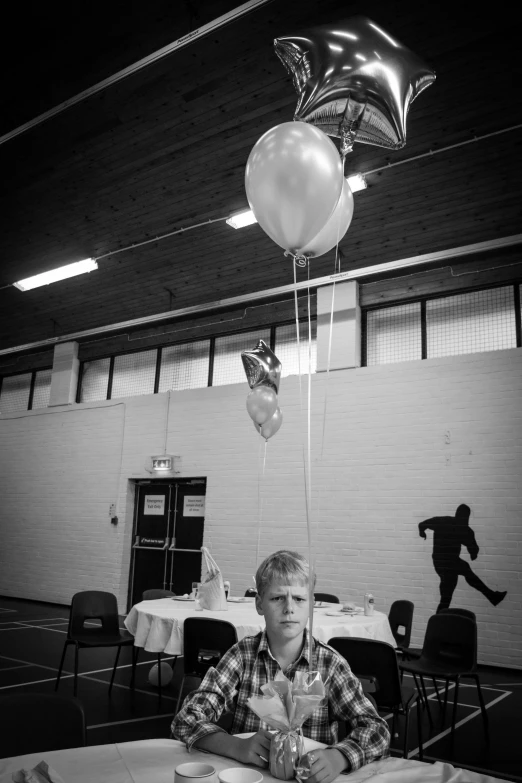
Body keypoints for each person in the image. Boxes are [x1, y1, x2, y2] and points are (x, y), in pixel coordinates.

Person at [172, 550, 390, 783]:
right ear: (259, 604)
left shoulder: (330, 665)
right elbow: (186, 719)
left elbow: (377, 730)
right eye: (277, 598)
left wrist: (339, 757)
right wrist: (236, 746)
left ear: (311, 605)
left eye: (299, 599)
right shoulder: (242, 657)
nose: (289, 608)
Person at [419, 503, 507, 612]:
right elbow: (474, 550)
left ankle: (492, 597)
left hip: (442, 562)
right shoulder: (463, 529)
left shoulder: (445, 522)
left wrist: (422, 532)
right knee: (462, 572)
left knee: (447, 596)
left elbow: (422, 525)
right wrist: (473, 552)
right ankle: (492, 596)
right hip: (445, 562)